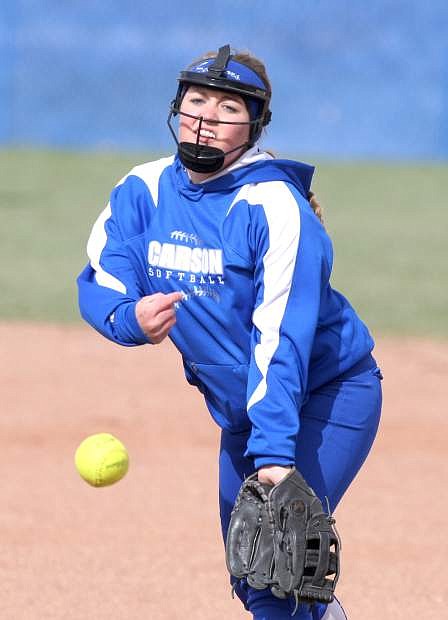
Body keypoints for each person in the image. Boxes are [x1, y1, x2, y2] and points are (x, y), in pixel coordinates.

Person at [77, 44, 383, 620]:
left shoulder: (272, 206)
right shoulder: (144, 191)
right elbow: (102, 275)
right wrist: (128, 319)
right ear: (176, 106)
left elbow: (281, 339)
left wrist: (272, 455)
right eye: (197, 101)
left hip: (325, 394)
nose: (206, 118)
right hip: (247, 409)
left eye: (228, 108)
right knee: (255, 572)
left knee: (277, 565)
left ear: (255, 126)